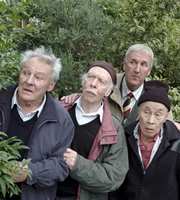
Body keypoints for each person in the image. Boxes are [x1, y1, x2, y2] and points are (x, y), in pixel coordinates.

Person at [0, 46, 74, 200]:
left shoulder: (61, 119)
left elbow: (61, 166)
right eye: (26, 73)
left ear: (51, 85)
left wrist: (30, 171)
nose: (29, 81)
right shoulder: (2, 100)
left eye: (38, 77)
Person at [61, 44, 180, 130]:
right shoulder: (107, 82)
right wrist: (76, 98)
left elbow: (167, 127)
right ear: (124, 64)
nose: (137, 70)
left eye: (143, 65)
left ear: (149, 71)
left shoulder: (156, 95)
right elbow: (89, 93)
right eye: (133, 62)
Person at [56, 61, 129, 200]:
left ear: (108, 92)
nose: (93, 83)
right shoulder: (58, 110)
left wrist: (77, 164)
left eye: (101, 81)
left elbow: (114, 177)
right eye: (90, 77)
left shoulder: (113, 128)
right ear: (83, 81)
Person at [117, 80, 180, 200]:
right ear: (139, 111)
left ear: (166, 117)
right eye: (146, 112)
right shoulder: (123, 136)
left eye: (158, 115)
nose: (151, 120)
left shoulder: (177, 142)